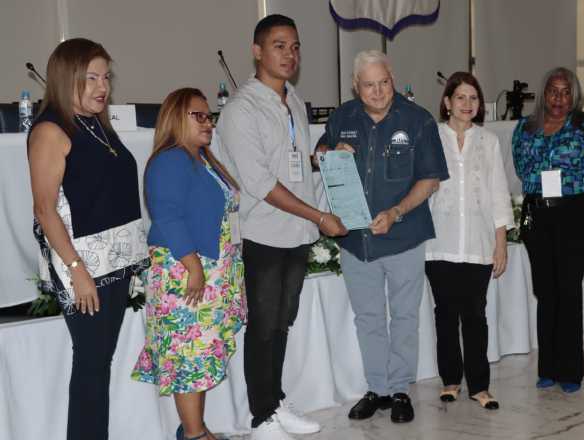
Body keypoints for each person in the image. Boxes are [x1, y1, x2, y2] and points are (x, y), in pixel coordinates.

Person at [213, 14, 346, 440]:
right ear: (257, 51)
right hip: (264, 234)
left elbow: (292, 162)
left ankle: (274, 400)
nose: (290, 55)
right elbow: (261, 184)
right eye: (279, 45)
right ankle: (260, 417)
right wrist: (319, 216)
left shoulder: (293, 99)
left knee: (282, 321)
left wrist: (323, 157)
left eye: (295, 46)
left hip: (296, 234)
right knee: (264, 324)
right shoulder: (240, 109)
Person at [316, 50, 449, 423]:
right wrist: (326, 152)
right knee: (368, 317)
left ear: (393, 78)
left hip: (404, 235)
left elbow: (430, 180)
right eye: (369, 85)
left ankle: (401, 390)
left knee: (404, 316)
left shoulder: (418, 120)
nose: (378, 92)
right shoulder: (343, 116)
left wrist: (396, 212)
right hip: (356, 240)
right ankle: (377, 388)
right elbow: (320, 153)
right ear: (356, 87)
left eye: (384, 82)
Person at [27, 38, 149, 440]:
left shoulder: (96, 123)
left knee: (99, 363)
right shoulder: (51, 129)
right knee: (92, 365)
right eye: (91, 78)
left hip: (114, 262)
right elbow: (45, 210)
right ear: (67, 79)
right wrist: (78, 271)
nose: (102, 86)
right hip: (82, 266)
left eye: (106, 77)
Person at [130, 88, 246, 440]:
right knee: (188, 359)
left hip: (210, 270)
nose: (208, 122)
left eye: (209, 116)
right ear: (175, 118)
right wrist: (194, 267)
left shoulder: (201, 159)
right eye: (199, 115)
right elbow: (167, 215)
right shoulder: (170, 160)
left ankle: (196, 430)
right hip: (185, 271)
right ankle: (194, 435)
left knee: (198, 359)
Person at [511, 66, 584, 394]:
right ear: (544, 94)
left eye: (565, 91)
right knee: (546, 290)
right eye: (553, 91)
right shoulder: (526, 127)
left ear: (574, 95)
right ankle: (548, 368)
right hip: (538, 215)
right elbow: (521, 166)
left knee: (568, 289)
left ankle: (571, 371)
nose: (558, 98)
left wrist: (580, 197)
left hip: (574, 215)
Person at [425, 72, 515, 410]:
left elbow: (498, 195)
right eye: (460, 98)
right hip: (439, 245)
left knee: (476, 317)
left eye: (473, 98)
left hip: (478, 246)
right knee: (445, 316)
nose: (467, 104)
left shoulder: (488, 141)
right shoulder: (432, 137)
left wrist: (501, 242)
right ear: (447, 102)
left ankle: (480, 386)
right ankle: (450, 381)